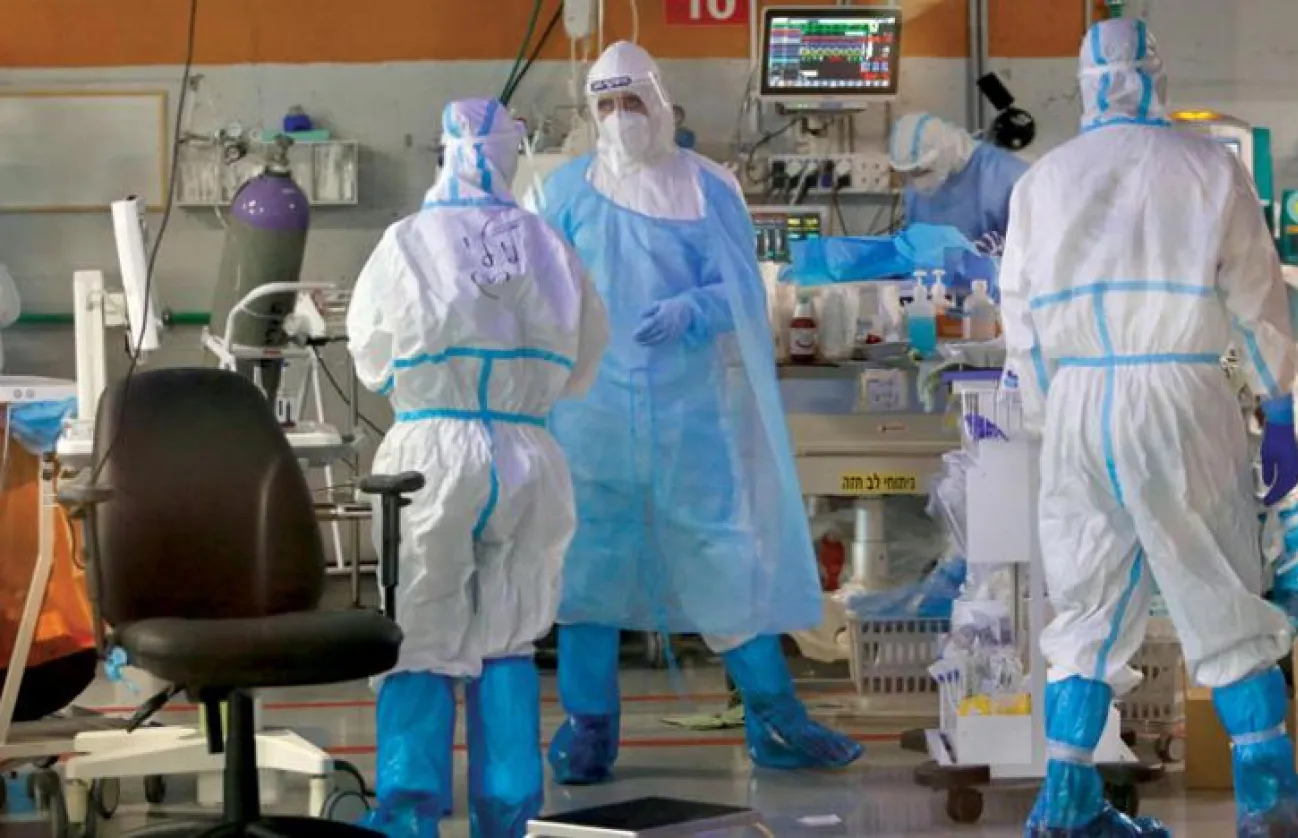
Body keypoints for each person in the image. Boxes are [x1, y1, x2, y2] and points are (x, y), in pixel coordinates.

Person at [997, 18, 1298, 838]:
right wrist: (1277, 412)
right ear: (1156, 78)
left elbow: (1020, 322)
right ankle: (1268, 804)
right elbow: (1257, 302)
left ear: (1083, 84)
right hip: (1177, 396)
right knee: (1220, 597)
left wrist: (1045, 414)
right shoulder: (1207, 167)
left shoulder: (1043, 180)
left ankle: (1065, 804)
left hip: (1076, 408)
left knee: (1088, 609)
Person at [527, 41, 863, 784]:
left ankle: (777, 718)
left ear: (660, 99)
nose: (619, 119)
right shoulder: (560, 194)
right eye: (605, 104)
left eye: (631, 101)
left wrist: (694, 307)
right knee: (589, 575)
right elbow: (542, 304)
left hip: (691, 419)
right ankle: (588, 731)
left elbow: (747, 293)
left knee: (724, 561)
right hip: (594, 419)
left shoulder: (712, 188)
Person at [347, 98, 607, 838]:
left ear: (445, 152)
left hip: (431, 453)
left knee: (419, 633)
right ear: (509, 154)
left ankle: (408, 813)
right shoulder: (548, 242)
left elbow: (372, 357)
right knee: (510, 636)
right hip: (528, 451)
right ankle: (509, 815)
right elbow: (585, 361)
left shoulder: (408, 241)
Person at [888, 112, 1029, 259]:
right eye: (907, 173)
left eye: (920, 171)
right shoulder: (917, 190)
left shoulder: (1009, 177)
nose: (915, 181)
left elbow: (1032, 251)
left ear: (944, 152)